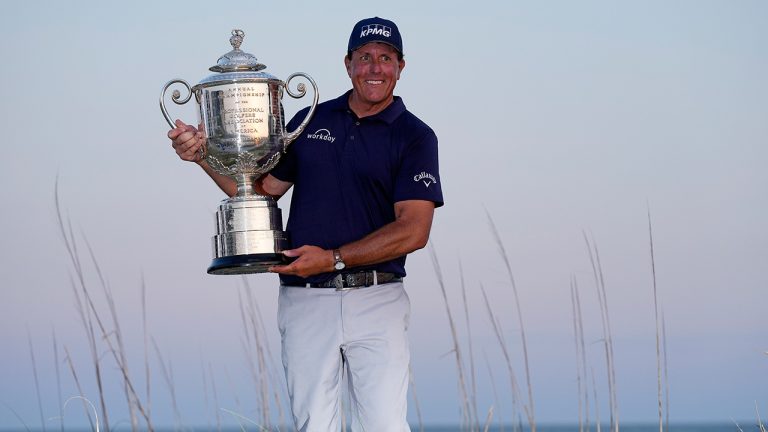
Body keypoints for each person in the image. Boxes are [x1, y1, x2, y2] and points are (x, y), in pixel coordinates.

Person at [168, 17, 443, 431]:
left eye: (386, 58)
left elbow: (414, 230)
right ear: (348, 64)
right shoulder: (312, 119)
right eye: (364, 57)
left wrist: (332, 259)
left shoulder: (416, 136)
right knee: (313, 425)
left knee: (384, 425)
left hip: (378, 299)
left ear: (401, 67)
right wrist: (203, 156)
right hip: (305, 299)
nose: (375, 68)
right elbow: (259, 190)